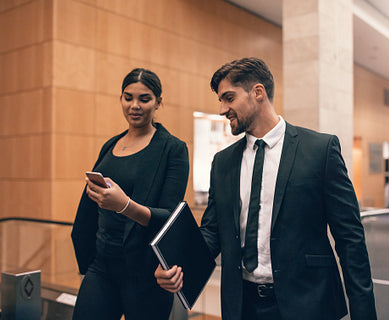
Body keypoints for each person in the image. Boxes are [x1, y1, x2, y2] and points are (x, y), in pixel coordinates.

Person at [155, 57, 376, 320]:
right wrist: (177, 266)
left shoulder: (320, 151)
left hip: (308, 303)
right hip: (242, 306)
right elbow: (213, 232)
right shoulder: (223, 163)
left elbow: (350, 239)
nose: (223, 109)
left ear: (258, 92)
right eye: (221, 101)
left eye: (229, 98)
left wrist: (364, 313)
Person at [71, 68, 189, 320]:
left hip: (145, 270)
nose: (134, 105)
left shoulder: (173, 149)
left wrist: (124, 205)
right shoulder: (110, 144)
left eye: (144, 99)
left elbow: (170, 218)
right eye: (128, 97)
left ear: (158, 102)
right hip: (101, 265)